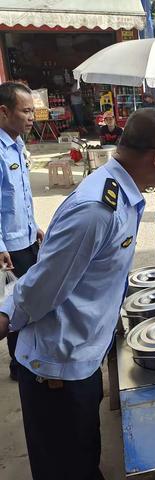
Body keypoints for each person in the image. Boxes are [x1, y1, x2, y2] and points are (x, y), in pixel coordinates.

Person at [0, 108, 155, 480]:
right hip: (56, 366)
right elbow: (40, 287)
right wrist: (5, 319)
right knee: (64, 465)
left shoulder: (122, 192)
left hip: (82, 353)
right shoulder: (97, 209)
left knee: (82, 453)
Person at [0, 82, 43, 381]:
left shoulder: (17, 144)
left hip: (26, 238)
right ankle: (20, 364)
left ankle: (28, 354)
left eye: (33, 110)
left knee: (30, 299)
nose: (32, 117)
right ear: (4, 112)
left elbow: (19, 197)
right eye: (26, 111)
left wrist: (34, 226)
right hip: (9, 247)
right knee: (16, 304)